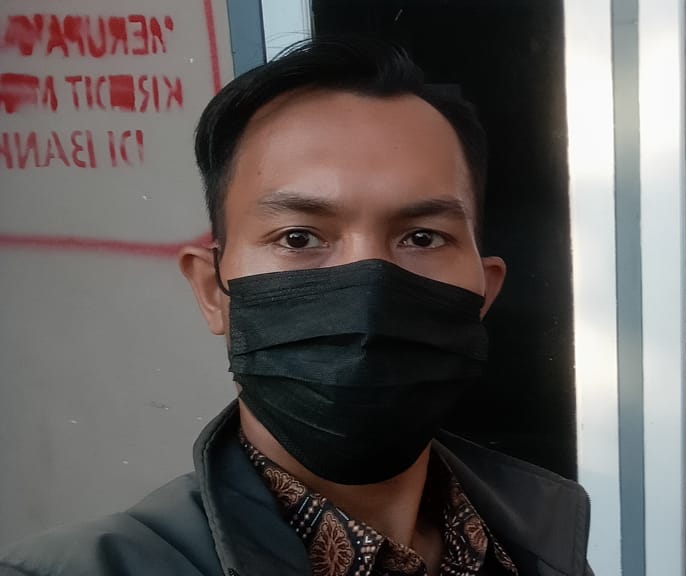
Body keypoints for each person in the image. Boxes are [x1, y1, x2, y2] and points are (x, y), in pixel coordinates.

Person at [0, 37, 592, 576]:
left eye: (421, 237)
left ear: (484, 293)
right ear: (212, 291)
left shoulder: (542, 544)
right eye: (299, 237)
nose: (368, 293)